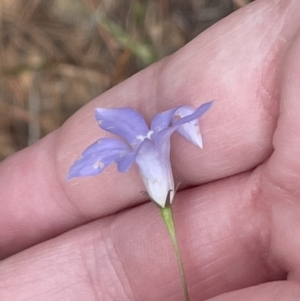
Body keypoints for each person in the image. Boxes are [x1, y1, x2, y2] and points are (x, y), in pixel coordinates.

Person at [1, 0, 300, 299]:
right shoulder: (143, 138)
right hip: (162, 189)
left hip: (162, 189)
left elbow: (184, 118)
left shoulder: (152, 133)